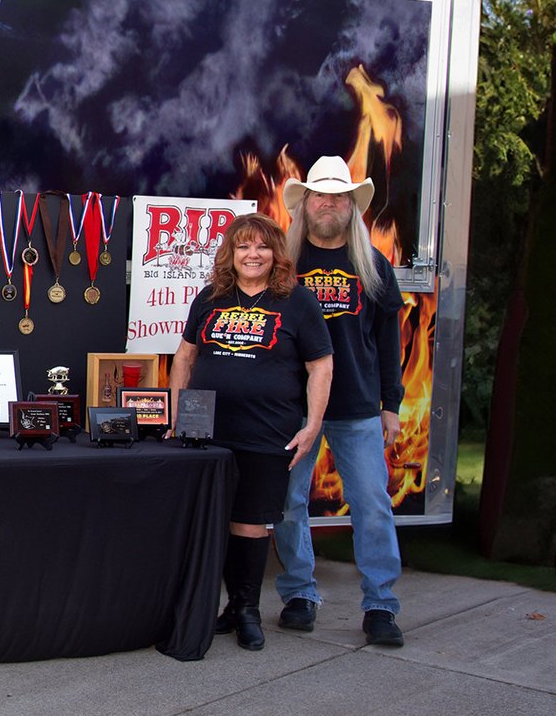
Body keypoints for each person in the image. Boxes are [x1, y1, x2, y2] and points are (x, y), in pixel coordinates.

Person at [170, 213, 332, 651]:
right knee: (214, 521)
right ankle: (220, 606)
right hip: (207, 430)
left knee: (251, 523)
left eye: (262, 247)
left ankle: (247, 610)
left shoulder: (297, 302)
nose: (252, 254)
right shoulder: (209, 298)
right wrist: (176, 416)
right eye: (243, 246)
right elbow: (184, 358)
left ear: (276, 254)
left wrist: (312, 425)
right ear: (231, 253)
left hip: (266, 432)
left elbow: (320, 365)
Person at [274, 155, 406, 647]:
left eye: (339, 196)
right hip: (295, 409)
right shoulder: (284, 264)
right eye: (320, 195)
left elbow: (389, 341)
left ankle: (380, 606)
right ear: (305, 204)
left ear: (352, 206)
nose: (329, 203)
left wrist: (391, 403)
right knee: (289, 503)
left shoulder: (372, 265)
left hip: (356, 406)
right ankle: (299, 594)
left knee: (372, 503)